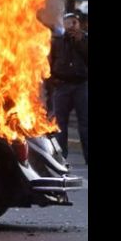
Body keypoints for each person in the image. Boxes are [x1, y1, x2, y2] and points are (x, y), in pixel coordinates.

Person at [49, 12, 88, 165]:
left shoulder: (84, 39)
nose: (71, 26)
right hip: (62, 86)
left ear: (79, 24)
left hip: (81, 86)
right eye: (68, 22)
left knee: (85, 124)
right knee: (60, 125)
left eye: (74, 22)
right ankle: (61, 158)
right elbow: (48, 63)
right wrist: (53, 81)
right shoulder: (57, 41)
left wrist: (79, 41)